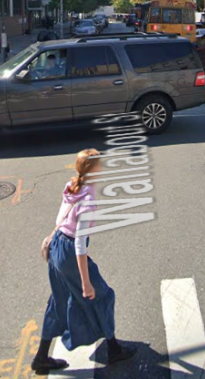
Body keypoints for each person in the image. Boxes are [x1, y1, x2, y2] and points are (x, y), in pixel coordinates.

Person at [32, 149, 133, 374]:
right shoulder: (88, 199)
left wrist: (51, 238)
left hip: (57, 244)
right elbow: (79, 245)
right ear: (94, 171)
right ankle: (114, 349)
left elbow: (60, 218)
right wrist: (86, 282)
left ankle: (41, 357)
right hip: (69, 252)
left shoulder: (71, 186)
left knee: (59, 300)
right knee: (102, 295)